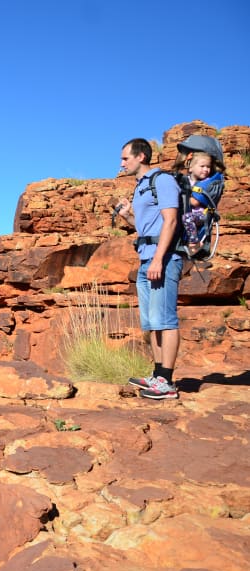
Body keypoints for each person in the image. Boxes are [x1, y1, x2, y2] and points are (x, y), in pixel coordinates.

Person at [114, 138, 182, 400]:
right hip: (146, 259)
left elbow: (171, 221)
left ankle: (167, 382)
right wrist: (127, 216)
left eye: (125, 158)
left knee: (166, 319)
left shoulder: (162, 180)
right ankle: (157, 375)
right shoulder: (141, 186)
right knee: (153, 321)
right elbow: (145, 229)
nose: (122, 163)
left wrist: (158, 259)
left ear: (141, 156)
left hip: (162, 259)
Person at [180, 151, 224, 255]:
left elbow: (195, 202)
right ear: (191, 168)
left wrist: (181, 198)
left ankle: (194, 242)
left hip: (201, 215)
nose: (206, 169)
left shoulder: (207, 183)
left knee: (187, 218)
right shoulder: (186, 180)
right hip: (188, 213)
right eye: (202, 166)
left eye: (208, 167)